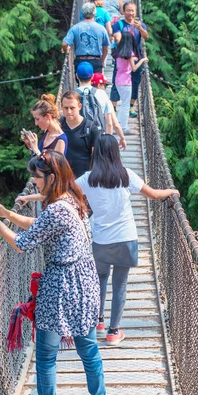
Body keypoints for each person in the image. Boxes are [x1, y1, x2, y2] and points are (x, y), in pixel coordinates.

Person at [0, 151, 106, 395]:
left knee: (46, 354)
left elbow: (22, 243)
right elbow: (41, 227)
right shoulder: (74, 200)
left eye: (37, 177)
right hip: (85, 279)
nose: (34, 182)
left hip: (61, 283)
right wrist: (8, 213)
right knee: (88, 348)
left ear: (51, 177)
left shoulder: (57, 208)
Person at [75, 135, 179, 345]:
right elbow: (154, 194)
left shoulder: (87, 178)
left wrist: (37, 196)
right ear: (116, 152)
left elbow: (64, 193)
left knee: (100, 279)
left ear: (95, 154)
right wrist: (172, 191)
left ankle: (98, 320)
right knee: (120, 285)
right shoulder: (126, 175)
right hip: (125, 238)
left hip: (101, 240)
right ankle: (114, 332)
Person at [110, 2, 149, 117]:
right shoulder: (119, 25)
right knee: (115, 82)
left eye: (132, 10)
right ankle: (114, 108)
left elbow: (146, 37)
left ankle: (131, 107)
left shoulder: (139, 24)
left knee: (135, 82)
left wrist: (140, 28)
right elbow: (117, 38)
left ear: (135, 11)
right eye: (128, 10)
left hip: (136, 56)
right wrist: (126, 51)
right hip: (122, 57)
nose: (130, 13)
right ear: (124, 11)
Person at [114, 30, 147, 135]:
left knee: (123, 104)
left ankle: (117, 125)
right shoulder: (130, 54)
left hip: (118, 80)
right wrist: (142, 60)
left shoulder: (118, 53)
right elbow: (134, 68)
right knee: (125, 105)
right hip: (126, 82)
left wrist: (133, 59)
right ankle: (123, 128)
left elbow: (119, 66)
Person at [62, 2, 110, 75]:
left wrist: (66, 50)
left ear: (82, 13)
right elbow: (105, 48)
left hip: (80, 61)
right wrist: (102, 61)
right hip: (96, 61)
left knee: (81, 84)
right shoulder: (102, 29)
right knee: (95, 85)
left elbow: (64, 44)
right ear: (94, 13)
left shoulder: (75, 28)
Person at [91, 72, 126, 150]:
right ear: (99, 85)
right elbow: (112, 123)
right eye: (105, 86)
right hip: (99, 136)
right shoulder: (104, 98)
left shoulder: (81, 96)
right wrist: (122, 137)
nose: (105, 88)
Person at [76, 61, 113, 134]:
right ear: (92, 76)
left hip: (78, 137)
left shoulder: (71, 95)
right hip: (98, 136)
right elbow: (109, 123)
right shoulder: (102, 94)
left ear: (77, 76)